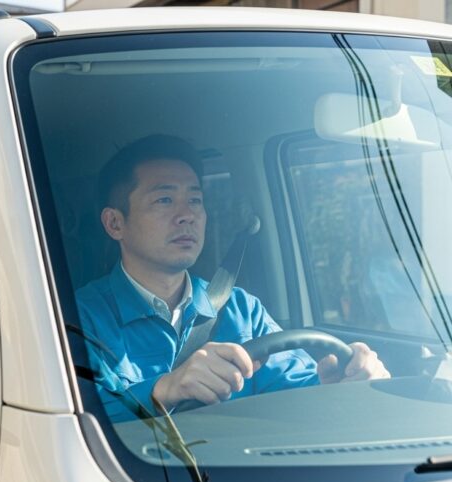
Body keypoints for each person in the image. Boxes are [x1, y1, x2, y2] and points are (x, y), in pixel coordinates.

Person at [75, 135, 390, 421]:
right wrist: (165, 389)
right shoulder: (78, 317)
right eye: (164, 200)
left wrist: (341, 382)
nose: (187, 214)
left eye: (195, 200)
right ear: (115, 223)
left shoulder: (241, 309)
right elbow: (75, 420)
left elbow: (296, 388)